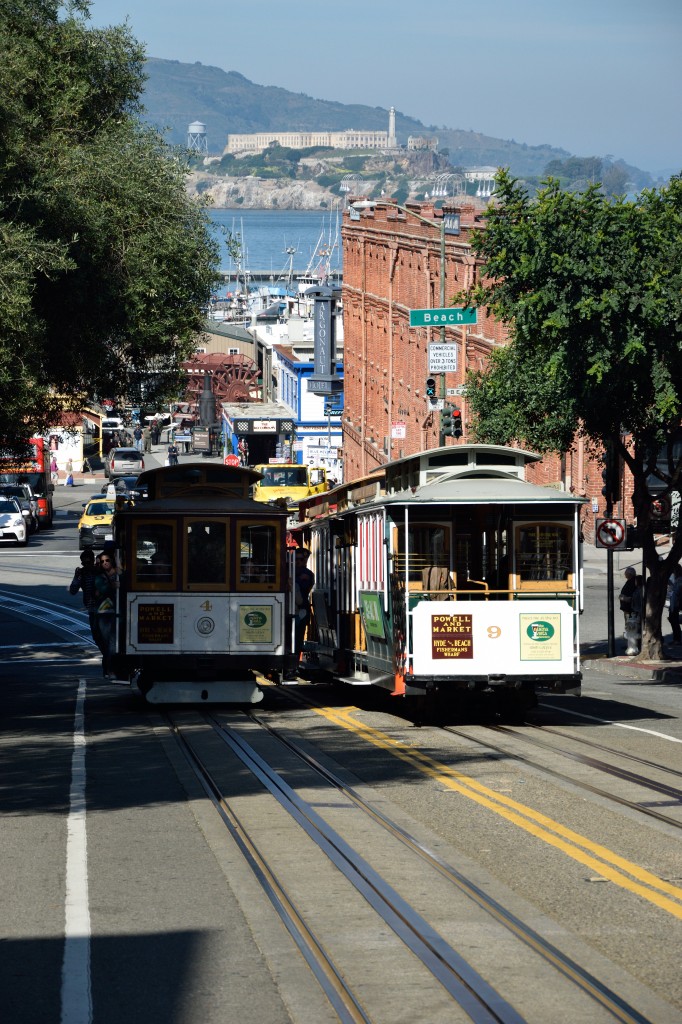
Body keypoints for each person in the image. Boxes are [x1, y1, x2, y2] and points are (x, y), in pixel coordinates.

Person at [286, 547, 315, 680]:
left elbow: (302, 588)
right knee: (287, 639)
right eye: (296, 559)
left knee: (296, 640)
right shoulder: (290, 572)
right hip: (288, 610)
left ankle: (293, 666)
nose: (298, 562)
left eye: (301, 559)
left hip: (300, 611)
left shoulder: (308, 574)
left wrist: (293, 580)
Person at [67, 548, 101, 651]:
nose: (86, 565)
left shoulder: (99, 571)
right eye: (84, 562)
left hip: (103, 609)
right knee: (96, 636)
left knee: (101, 635)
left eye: (88, 562)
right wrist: (77, 576)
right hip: (92, 609)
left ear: (93, 560)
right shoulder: (82, 574)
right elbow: (73, 590)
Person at [94, 551, 119, 678]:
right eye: (102, 561)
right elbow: (104, 589)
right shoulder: (99, 577)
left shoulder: (119, 573)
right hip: (104, 614)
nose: (105, 563)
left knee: (116, 643)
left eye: (107, 560)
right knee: (109, 643)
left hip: (119, 612)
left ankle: (113, 669)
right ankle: (109, 670)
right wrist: (113, 586)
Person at [667, 564, 682, 645]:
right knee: (673, 620)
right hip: (674, 602)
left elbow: (675, 593)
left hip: (675, 603)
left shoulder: (679, 580)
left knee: (674, 620)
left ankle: (677, 639)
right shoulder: (676, 579)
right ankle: (676, 638)